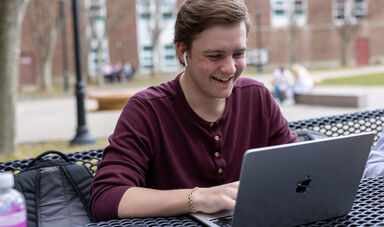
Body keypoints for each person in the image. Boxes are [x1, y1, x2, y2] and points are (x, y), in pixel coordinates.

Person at [90, 0, 297, 222]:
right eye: (214, 56)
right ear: (182, 52)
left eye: (238, 54)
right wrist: (197, 198)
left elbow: (299, 167)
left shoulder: (256, 96)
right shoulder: (147, 110)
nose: (230, 68)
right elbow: (106, 197)